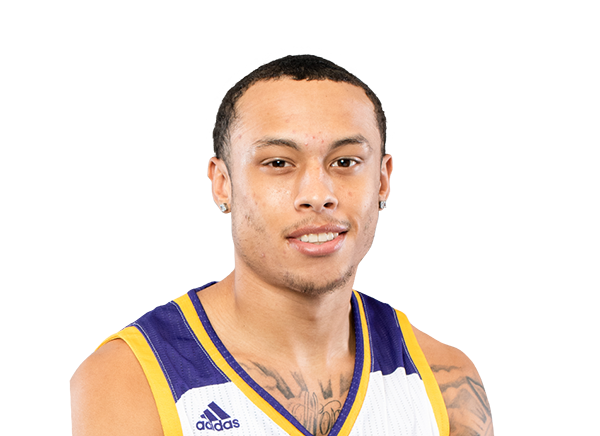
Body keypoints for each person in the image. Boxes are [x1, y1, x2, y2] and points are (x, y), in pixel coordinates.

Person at [70, 50, 494, 436]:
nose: (318, 193)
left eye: (345, 161)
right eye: (278, 162)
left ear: (382, 180)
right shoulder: (128, 381)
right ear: (223, 184)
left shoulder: (444, 381)